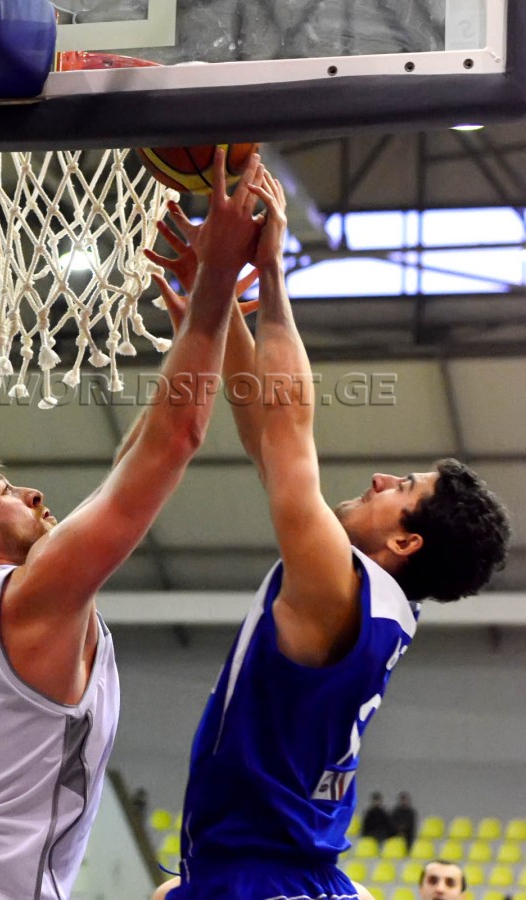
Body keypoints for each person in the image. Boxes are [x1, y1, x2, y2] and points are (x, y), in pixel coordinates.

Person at [0, 150, 266, 900]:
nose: (32, 493)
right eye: (4, 492)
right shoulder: (29, 600)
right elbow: (173, 441)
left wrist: (203, 327)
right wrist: (215, 283)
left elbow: (131, 463)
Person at [145, 169, 510, 899]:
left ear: (405, 542)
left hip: (266, 878)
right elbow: (266, 437)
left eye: (402, 489)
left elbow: (286, 432)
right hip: (289, 871)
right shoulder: (368, 599)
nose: (380, 478)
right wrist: (218, 303)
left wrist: (268, 274)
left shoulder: (337, 586)